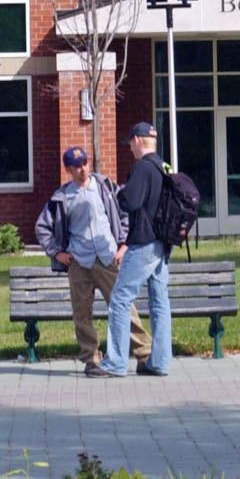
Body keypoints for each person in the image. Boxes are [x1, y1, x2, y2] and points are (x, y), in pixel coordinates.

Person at [34, 146, 148, 376]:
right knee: (82, 313)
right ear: (68, 169)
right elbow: (41, 227)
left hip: (107, 257)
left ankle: (145, 354)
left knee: (124, 306)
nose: (82, 168)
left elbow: (126, 212)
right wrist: (57, 253)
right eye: (76, 166)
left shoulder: (106, 186)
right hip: (79, 262)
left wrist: (123, 244)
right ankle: (91, 360)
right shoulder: (62, 197)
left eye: (85, 163)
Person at [97, 122, 174, 378]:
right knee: (159, 302)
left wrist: (118, 193)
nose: (129, 147)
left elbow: (132, 201)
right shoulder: (164, 166)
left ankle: (115, 363)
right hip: (162, 244)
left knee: (119, 299)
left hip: (143, 242)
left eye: (130, 142)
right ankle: (160, 362)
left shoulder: (142, 167)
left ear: (139, 140)